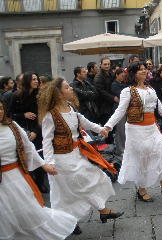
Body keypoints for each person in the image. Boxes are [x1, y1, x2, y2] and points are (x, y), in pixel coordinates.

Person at [38, 78, 123, 234]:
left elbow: (85, 122)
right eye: (67, 87)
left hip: (76, 154)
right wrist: (49, 162)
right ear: (58, 93)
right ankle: (73, 220)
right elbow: (47, 141)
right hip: (61, 160)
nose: (71, 88)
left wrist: (101, 129)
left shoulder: (70, 108)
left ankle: (97, 212)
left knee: (95, 178)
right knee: (68, 192)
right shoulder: (50, 116)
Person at [0, 99, 78, 240]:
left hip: (16, 179)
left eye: (0, 108)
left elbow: (29, 149)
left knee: (29, 213)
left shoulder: (13, 127)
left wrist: (44, 165)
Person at [104, 61, 162, 202]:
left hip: (152, 127)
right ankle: (141, 189)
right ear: (133, 74)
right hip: (136, 129)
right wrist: (108, 126)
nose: (144, 71)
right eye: (140, 70)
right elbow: (120, 111)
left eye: (145, 69)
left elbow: (160, 107)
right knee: (142, 159)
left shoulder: (151, 89)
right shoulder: (127, 91)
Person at [11, 72, 47, 193]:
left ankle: (40, 183)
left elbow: (43, 116)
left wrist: (36, 132)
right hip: (22, 131)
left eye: (37, 79)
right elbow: (10, 115)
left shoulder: (40, 96)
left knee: (40, 156)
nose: (36, 81)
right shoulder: (16, 96)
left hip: (38, 131)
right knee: (26, 157)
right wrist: (23, 115)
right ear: (27, 81)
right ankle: (29, 183)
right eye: (33, 79)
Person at [94, 57, 119, 128]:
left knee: (113, 128)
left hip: (111, 105)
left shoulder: (111, 73)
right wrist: (113, 98)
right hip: (103, 107)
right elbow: (101, 91)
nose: (107, 66)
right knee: (107, 128)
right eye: (105, 64)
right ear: (101, 65)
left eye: (108, 64)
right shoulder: (98, 77)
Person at [111, 68, 129, 157]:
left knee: (125, 130)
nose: (123, 77)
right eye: (121, 76)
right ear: (117, 75)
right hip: (118, 109)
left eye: (124, 76)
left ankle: (124, 148)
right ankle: (120, 149)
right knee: (120, 130)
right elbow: (121, 94)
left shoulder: (124, 84)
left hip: (125, 109)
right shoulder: (114, 84)